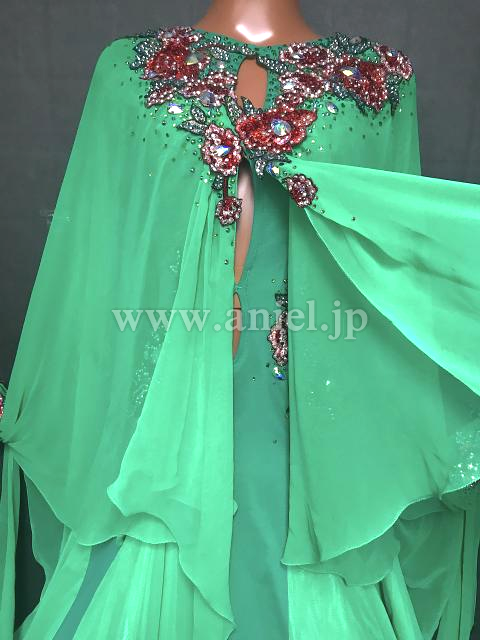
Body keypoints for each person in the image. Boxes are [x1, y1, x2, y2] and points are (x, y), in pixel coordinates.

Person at [1, 7, 480, 639]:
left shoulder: (379, 81)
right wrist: (34, 405)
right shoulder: (129, 73)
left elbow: (393, 277)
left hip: (307, 448)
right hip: (159, 447)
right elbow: (93, 265)